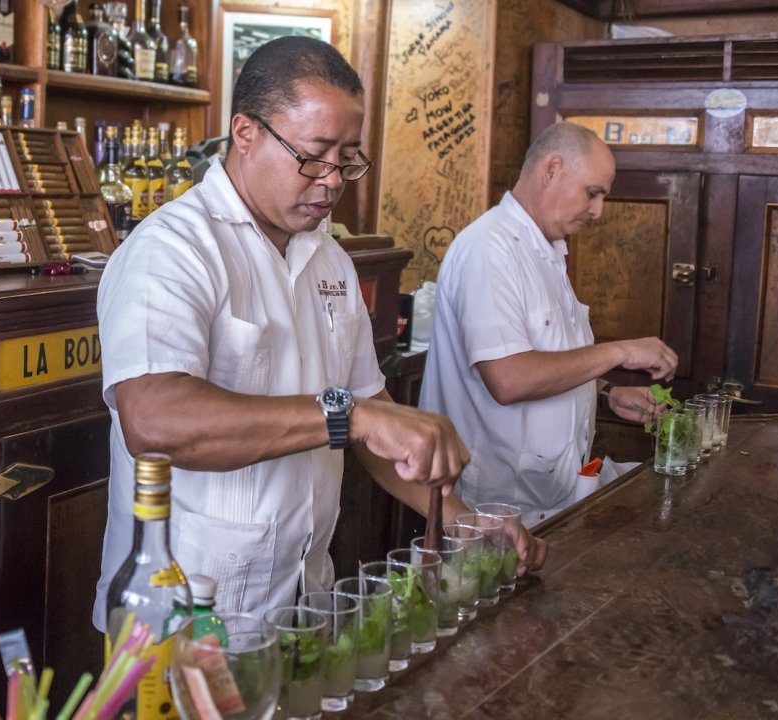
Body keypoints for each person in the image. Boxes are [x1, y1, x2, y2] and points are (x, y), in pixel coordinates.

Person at [93, 36, 545, 630]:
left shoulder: (328, 256)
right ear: (245, 133)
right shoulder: (172, 249)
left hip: (303, 602)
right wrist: (350, 416)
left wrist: (460, 517)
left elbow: (371, 414)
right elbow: (154, 422)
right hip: (184, 616)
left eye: (349, 157)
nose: (333, 180)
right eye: (314, 154)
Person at [419, 121, 679, 527]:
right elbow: (509, 379)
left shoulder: (548, 252)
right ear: (552, 169)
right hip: (492, 509)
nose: (598, 211)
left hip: (546, 497)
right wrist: (620, 351)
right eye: (593, 193)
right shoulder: (489, 249)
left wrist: (607, 393)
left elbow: (549, 361)